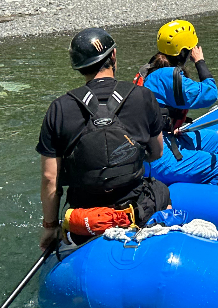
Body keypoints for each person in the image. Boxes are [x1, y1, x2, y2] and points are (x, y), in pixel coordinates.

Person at [37, 27, 170, 249]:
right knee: (161, 191)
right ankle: (159, 245)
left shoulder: (59, 108)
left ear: (78, 67)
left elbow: (51, 179)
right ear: (114, 56)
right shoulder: (143, 96)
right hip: (135, 209)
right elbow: (157, 153)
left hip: (84, 218)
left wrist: (50, 226)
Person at [135, 19, 218, 184]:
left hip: (158, 140)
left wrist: (168, 127)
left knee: (213, 140)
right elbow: (210, 93)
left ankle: (195, 173)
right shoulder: (169, 77)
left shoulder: (151, 70)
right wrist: (200, 61)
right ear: (183, 52)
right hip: (158, 157)